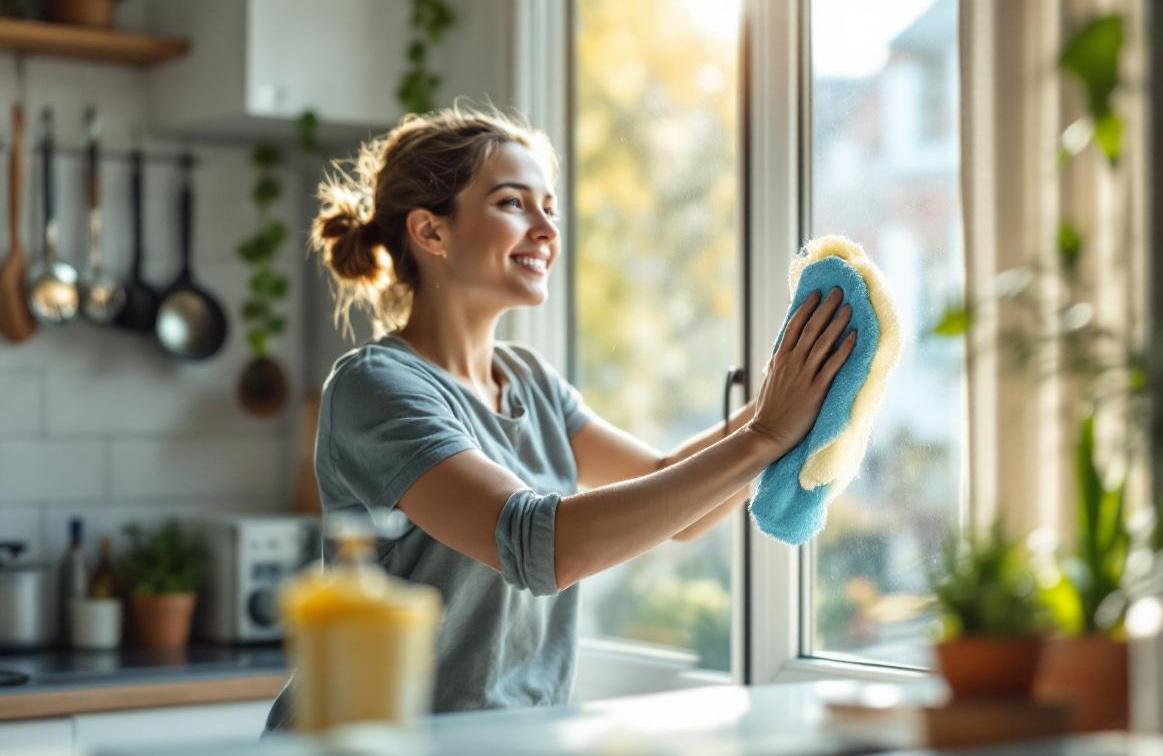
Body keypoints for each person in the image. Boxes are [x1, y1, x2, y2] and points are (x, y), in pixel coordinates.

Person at [264, 105, 855, 729]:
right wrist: (764, 434)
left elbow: (670, 495)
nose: (546, 227)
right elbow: (535, 544)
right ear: (431, 232)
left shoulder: (531, 382)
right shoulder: (375, 386)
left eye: (548, 205)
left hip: (507, 739)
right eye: (513, 203)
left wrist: (788, 401)